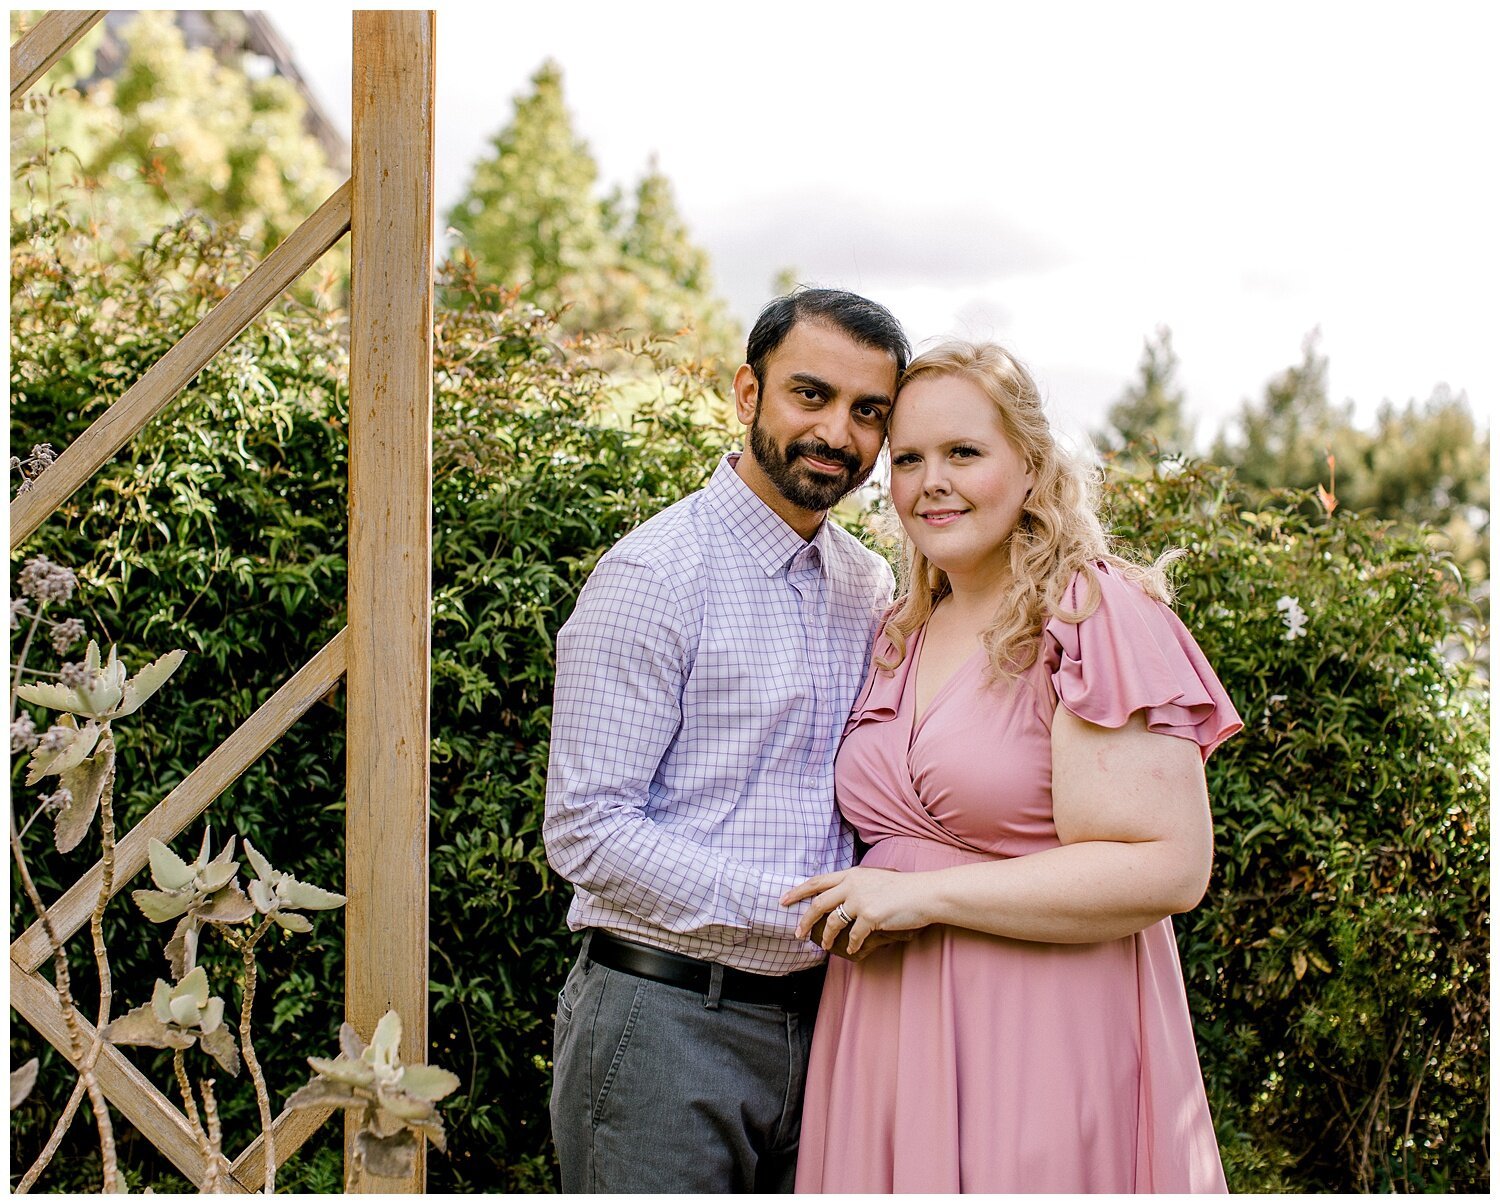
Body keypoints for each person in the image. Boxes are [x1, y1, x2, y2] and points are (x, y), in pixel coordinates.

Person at [782, 340, 1242, 1193]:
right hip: (880, 1032)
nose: (931, 482)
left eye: (964, 452)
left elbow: (1170, 868)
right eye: (910, 458)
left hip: (1039, 1031)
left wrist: (924, 895)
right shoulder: (898, 630)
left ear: (1031, 468)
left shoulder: (1091, 611)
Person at [543, 288, 911, 1192]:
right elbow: (585, 829)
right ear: (749, 395)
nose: (838, 433)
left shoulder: (868, 586)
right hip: (666, 1021)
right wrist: (796, 911)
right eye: (812, 396)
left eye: (870, 412)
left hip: (828, 1026)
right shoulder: (655, 574)